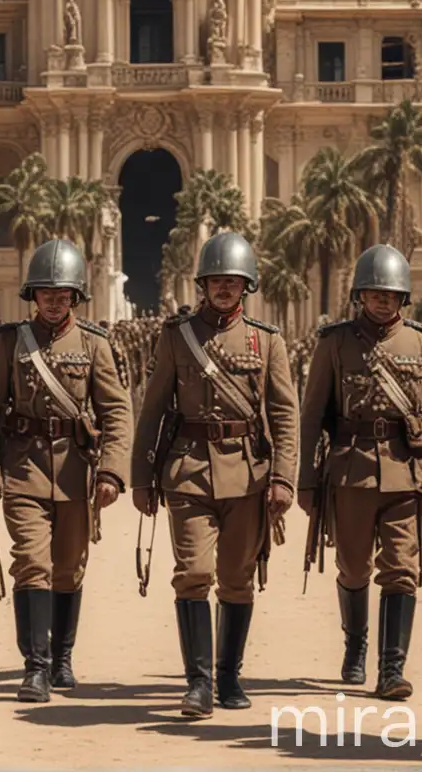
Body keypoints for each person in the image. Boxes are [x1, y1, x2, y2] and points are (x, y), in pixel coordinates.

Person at [133, 231, 298, 718]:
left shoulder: (267, 342)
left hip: (248, 473)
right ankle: (199, 683)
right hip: (188, 469)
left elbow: (284, 414)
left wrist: (284, 477)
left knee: (237, 580)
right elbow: (153, 410)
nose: (224, 288)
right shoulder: (175, 336)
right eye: (215, 281)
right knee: (194, 574)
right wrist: (142, 477)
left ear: (246, 286)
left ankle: (228, 676)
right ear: (201, 284)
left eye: (233, 281)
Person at [0, 238, 131, 704]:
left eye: (63, 294)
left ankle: (62, 657)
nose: (54, 301)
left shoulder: (95, 344)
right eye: (46, 293)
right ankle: (34, 666)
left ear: (76, 297)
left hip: (77, 470)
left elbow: (117, 412)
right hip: (23, 467)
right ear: (32, 296)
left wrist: (113, 471)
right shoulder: (9, 342)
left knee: (70, 568)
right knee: (32, 564)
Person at [296, 244, 422, 700]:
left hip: (407, 472)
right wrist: (306, 478)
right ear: (359, 295)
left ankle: (391, 669)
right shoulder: (334, 342)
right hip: (351, 469)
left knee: (401, 570)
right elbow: (311, 416)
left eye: (391, 294)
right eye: (373, 293)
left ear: (404, 298)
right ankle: (356, 644)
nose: (382, 301)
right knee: (354, 566)